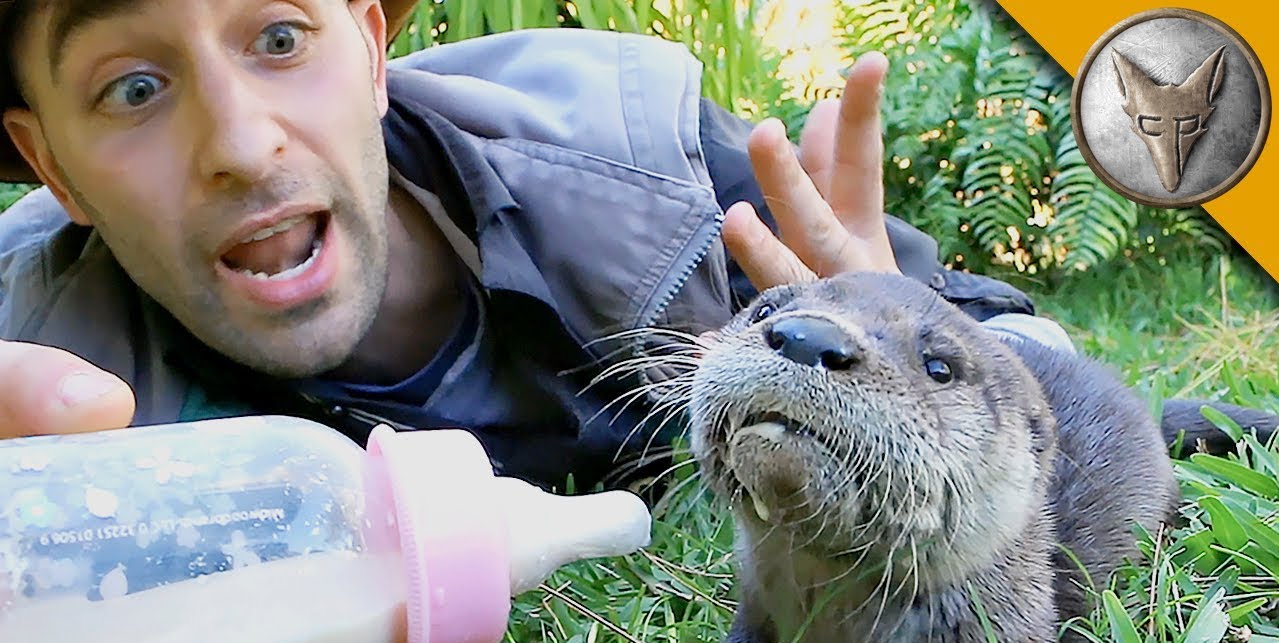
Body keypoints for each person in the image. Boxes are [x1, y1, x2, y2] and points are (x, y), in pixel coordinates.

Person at [0, 0, 1071, 489]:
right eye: (134, 88)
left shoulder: (648, 154)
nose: (236, 144)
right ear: (52, 168)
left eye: (280, 39)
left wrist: (908, 334)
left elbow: (1019, 354)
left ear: (372, 52)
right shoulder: (35, 365)